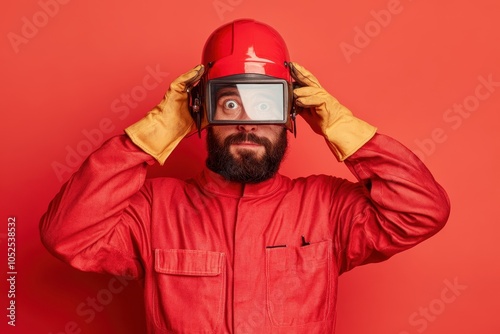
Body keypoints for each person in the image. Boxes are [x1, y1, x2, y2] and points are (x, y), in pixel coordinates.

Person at [40, 19, 450, 333]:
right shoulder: (152, 209)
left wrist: (341, 126)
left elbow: (423, 210)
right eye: (230, 104)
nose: (249, 122)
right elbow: (67, 235)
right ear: (200, 112)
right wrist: (149, 136)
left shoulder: (328, 207)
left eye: (266, 103)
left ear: (293, 113)